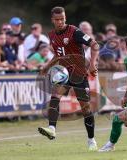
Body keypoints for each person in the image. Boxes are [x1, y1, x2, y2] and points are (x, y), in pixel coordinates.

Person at [38, 6, 99, 151]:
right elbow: (59, 55)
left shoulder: (74, 32)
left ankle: (91, 140)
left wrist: (92, 64)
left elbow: (95, 45)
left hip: (79, 73)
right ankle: (52, 128)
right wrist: (47, 66)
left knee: (85, 108)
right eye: (57, 20)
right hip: (64, 73)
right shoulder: (51, 35)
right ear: (52, 20)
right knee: (55, 96)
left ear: (65, 18)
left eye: (62, 19)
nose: (60, 22)